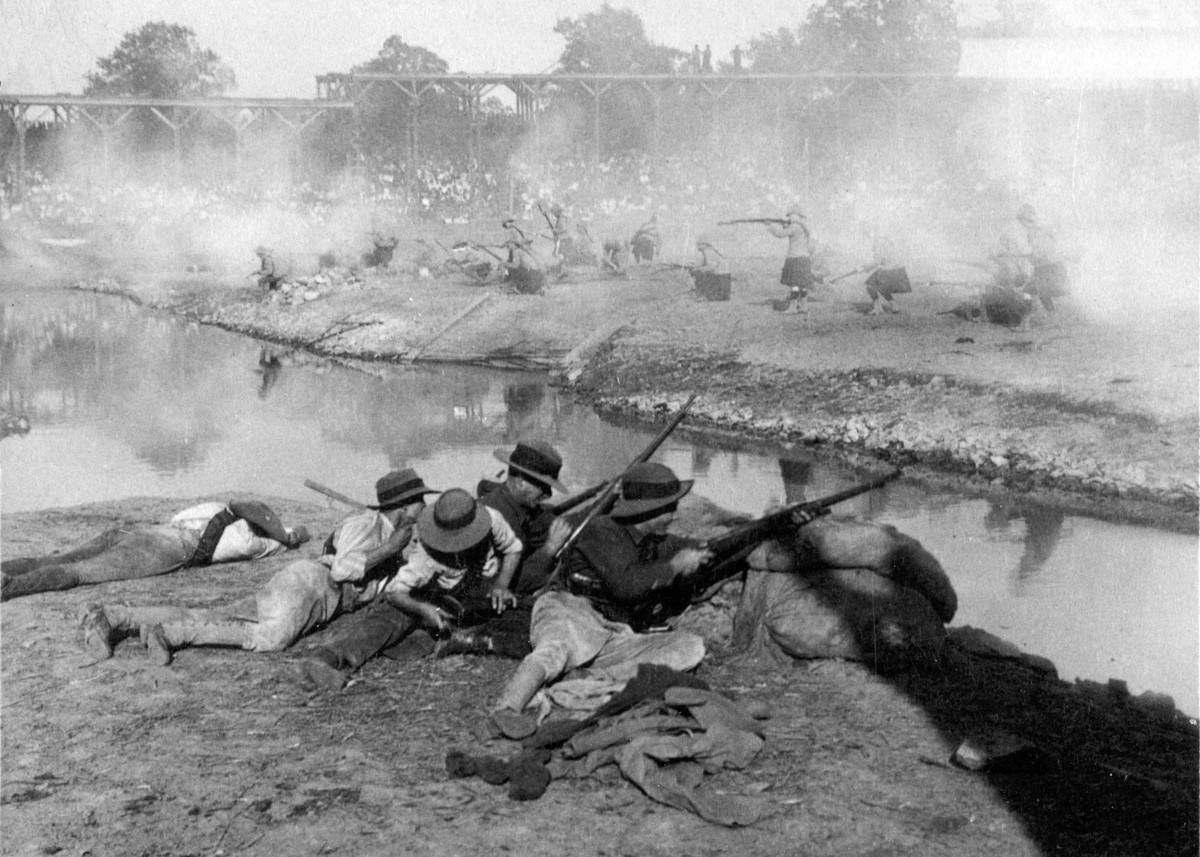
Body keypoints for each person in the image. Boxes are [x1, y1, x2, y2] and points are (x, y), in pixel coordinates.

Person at [76, 469, 434, 665]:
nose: (423, 509)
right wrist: (389, 549)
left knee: (216, 615)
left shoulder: (393, 535)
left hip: (311, 588)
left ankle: (114, 617)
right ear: (405, 505)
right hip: (315, 585)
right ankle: (170, 634)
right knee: (271, 638)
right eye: (420, 502)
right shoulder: (369, 526)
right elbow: (342, 570)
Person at [294, 441, 572, 687]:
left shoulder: (515, 512)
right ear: (519, 480)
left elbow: (515, 549)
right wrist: (548, 550)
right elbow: (518, 579)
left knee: (535, 618)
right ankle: (328, 657)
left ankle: (436, 638)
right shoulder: (492, 515)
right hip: (448, 593)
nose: (547, 494)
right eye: (542, 485)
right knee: (394, 616)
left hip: (469, 594)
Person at [487, 462, 715, 739]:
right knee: (554, 650)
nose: (674, 514)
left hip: (613, 634)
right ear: (648, 511)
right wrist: (673, 567)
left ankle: (585, 680)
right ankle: (508, 708)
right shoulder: (600, 530)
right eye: (668, 507)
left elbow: (690, 548)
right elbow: (626, 586)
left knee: (689, 646)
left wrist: (719, 547)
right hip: (570, 610)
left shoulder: (654, 538)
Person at [3, 500, 309, 601]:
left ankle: (7, 571)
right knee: (79, 572)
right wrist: (287, 537)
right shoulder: (254, 543)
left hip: (146, 529)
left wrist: (280, 530)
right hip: (165, 547)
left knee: (62, 559)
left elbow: (249, 507)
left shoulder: (217, 507)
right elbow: (271, 533)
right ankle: (10, 587)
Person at [1017, 204, 1069, 312]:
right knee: (1036, 292)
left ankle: (1026, 323)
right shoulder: (1037, 230)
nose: (1022, 224)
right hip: (1047, 266)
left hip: (1048, 266)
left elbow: (1042, 251)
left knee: (1029, 292)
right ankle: (1051, 317)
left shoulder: (1036, 230)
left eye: (1023, 220)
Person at [767, 208, 815, 313]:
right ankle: (804, 306)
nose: (788, 217)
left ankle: (792, 307)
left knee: (794, 285)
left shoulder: (795, 227)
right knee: (802, 285)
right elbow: (789, 231)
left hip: (795, 258)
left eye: (789, 215)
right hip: (804, 258)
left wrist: (770, 226)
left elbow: (780, 234)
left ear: (794, 216)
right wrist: (783, 225)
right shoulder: (804, 226)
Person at [863, 227, 912, 315]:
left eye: (868, 234)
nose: (868, 236)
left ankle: (878, 309)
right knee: (881, 286)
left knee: (870, 285)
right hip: (898, 269)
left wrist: (866, 267)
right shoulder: (885, 240)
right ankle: (894, 306)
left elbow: (879, 261)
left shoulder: (879, 243)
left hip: (890, 270)